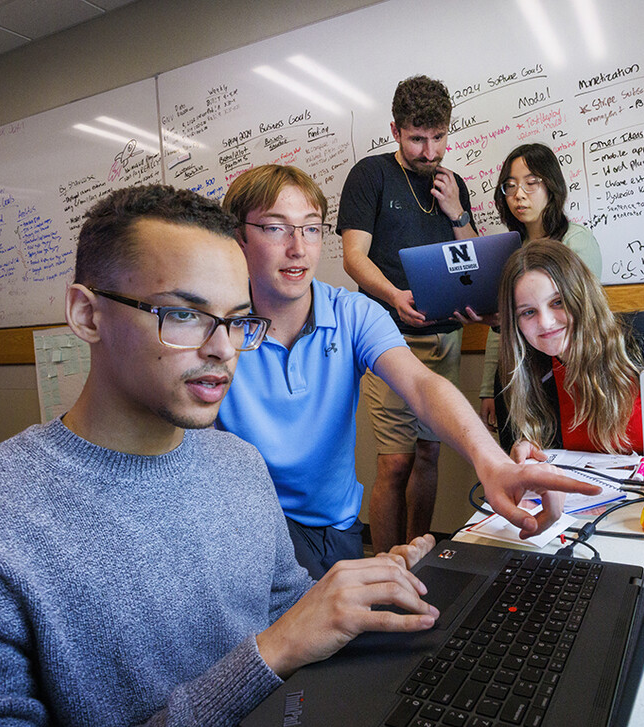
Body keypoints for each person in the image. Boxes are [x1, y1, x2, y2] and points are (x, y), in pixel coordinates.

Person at [0, 184, 442, 726]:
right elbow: (280, 641)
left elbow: (287, 613)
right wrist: (274, 651)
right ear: (87, 314)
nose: (222, 350)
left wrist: (368, 598)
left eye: (237, 322)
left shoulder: (239, 467)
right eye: (183, 314)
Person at [218, 165, 602, 577]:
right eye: (276, 229)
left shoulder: (351, 312)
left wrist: (492, 462)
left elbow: (421, 385)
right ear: (238, 237)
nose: (298, 248)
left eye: (311, 228)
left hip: (334, 530)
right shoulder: (213, 326)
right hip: (244, 532)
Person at [338, 75, 477, 554]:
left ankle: (418, 557)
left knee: (429, 453)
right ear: (395, 130)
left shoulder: (452, 183)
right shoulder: (370, 175)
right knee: (395, 462)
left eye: (439, 137)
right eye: (418, 138)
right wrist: (395, 295)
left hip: (445, 337)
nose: (429, 150)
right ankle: (383, 563)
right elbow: (354, 257)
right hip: (387, 336)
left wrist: (456, 210)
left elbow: (472, 260)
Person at [494, 239, 644, 459]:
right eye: (528, 312)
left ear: (583, 297)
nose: (545, 322)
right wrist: (522, 455)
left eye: (558, 302)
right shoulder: (515, 376)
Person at [478, 143, 604, 432]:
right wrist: (488, 387)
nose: (519, 195)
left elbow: (585, 318)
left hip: (569, 377)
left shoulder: (576, 242)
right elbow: (500, 329)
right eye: (510, 187)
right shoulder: (509, 251)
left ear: (552, 186)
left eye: (531, 183)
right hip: (518, 378)